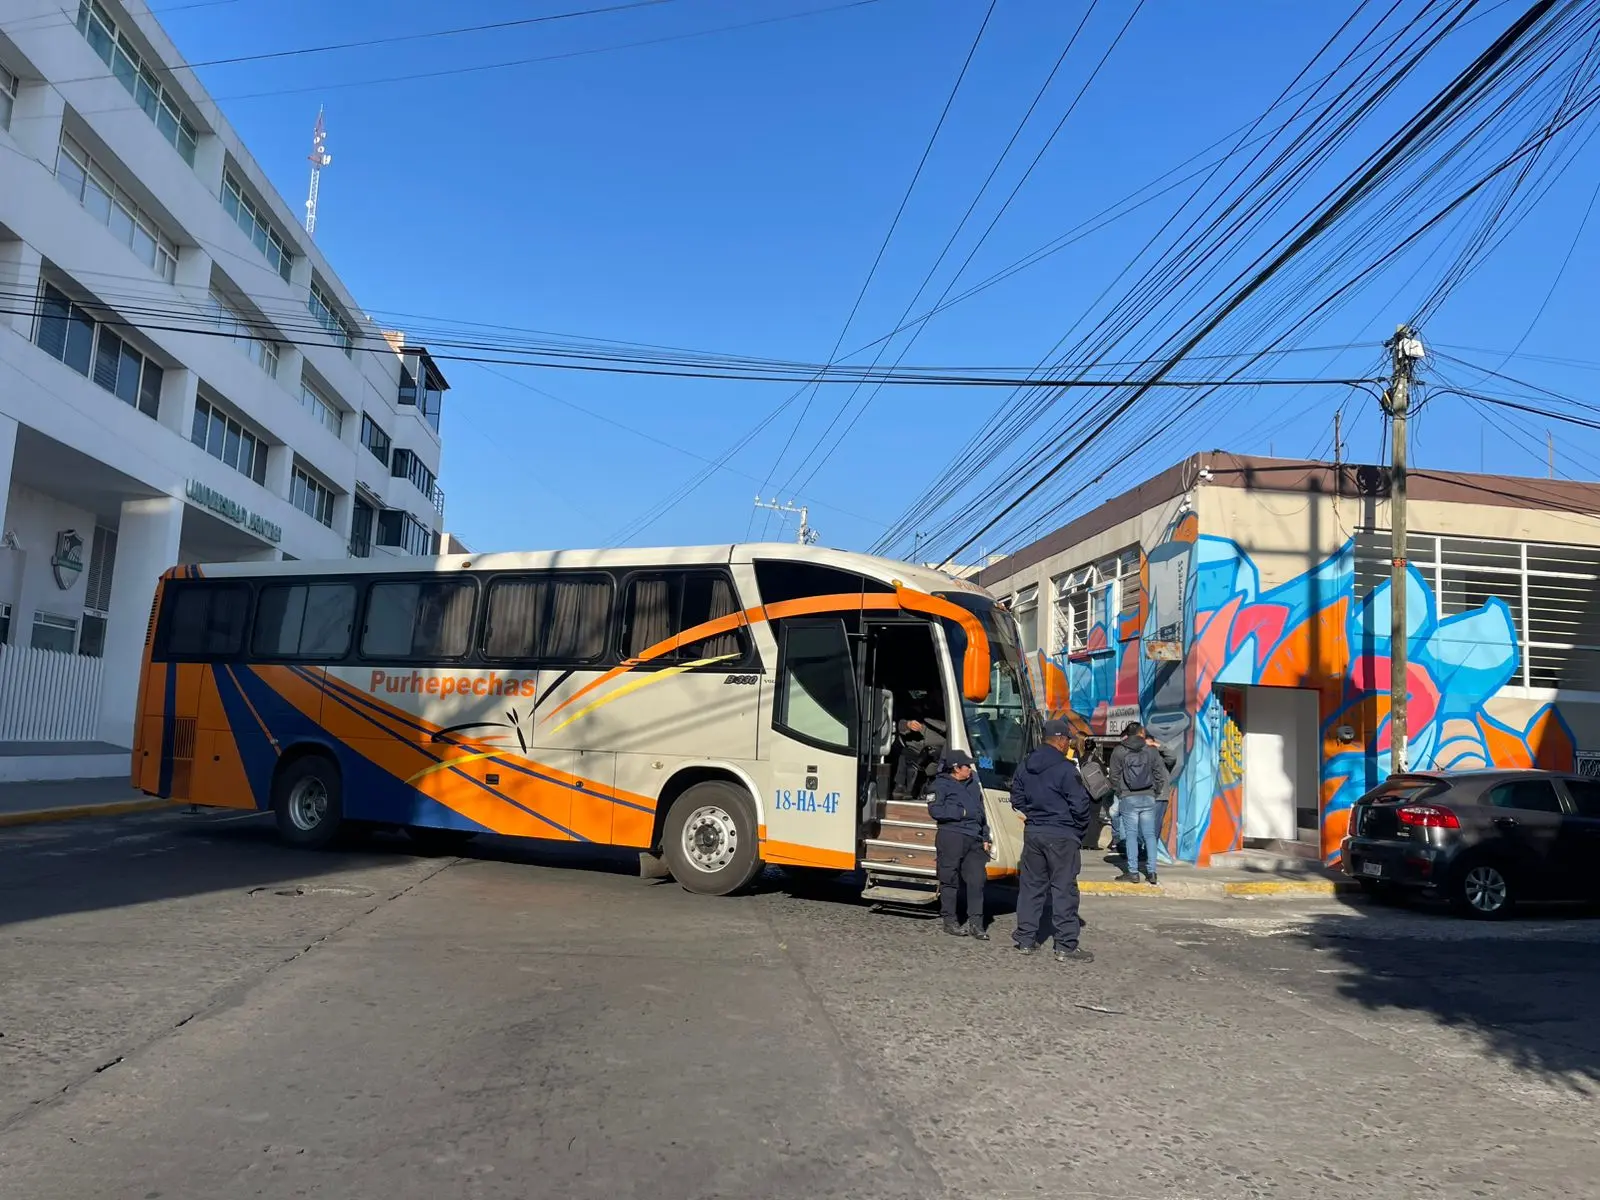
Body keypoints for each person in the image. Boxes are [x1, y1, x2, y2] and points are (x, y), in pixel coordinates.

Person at [1009, 718, 1095, 964]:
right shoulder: (1066, 768)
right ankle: (1065, 946)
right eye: (1067, 739)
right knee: (1064, 889)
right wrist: (1077, 830)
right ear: (1059, 740)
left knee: (1031, 887)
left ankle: (1025, 939)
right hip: (1061, 834)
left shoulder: (1025, 765)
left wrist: (1034, 816)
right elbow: (1080, 805)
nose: (1068, 743)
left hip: (1034, 831)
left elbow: (1016, 797)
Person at [925, 750, 991, 939]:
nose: (970, 769)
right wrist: (961, 813)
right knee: (950, 880)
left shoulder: (973, 784)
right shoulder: (939, 785)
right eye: (966, 766)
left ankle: (976, 924)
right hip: (951, 835)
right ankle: (950, 920)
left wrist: (985, 836)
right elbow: (935, 810)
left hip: (974, 838)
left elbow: (981, 812)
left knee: (977, 881)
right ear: (955, 768)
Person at [1109, 722, 1170, 885]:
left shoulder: (1119, 751)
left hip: (1128, 797)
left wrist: (1121, 792)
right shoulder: (1151, 750)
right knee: (1150, 835)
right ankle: (1152, 872)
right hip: (1149, 797)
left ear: (1127, 734)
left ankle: (1133, 872)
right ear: (1141, 733)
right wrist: (1154, 792)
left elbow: (1113, 776)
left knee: (1131, 835)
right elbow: (1159, 774)